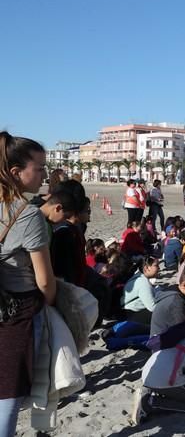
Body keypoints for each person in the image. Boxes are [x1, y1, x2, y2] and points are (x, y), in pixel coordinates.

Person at [0, 132, 55, 436]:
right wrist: (49, 302)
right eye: (40, 168)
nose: (45, 174)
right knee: (8, 395)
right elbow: (44, 279)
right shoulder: (27, 215)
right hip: (16, 314)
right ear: (15, 172)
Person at [121, 256, 159, 326]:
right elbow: (152, 307)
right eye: (156, 265)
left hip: (129, 312)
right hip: (132, 315)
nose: (159, 268)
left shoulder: (138, 277)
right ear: (146, 268)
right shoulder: (142, 282)